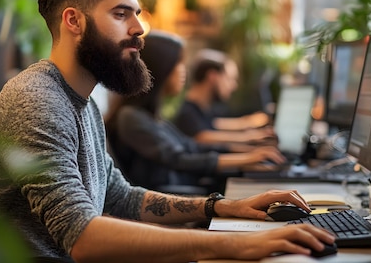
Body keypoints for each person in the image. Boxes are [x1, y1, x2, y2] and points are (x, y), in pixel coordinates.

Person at [0, 0, 335, 263]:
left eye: (135, 14)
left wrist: (222, 208)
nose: (138, 29)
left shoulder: (78, 101)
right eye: (120, 15)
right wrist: (236, 242)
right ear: (74, 21)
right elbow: (82, 237)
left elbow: (118, 196)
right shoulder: (37, 100)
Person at [105, 31, 285, 194]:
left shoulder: (153, 117)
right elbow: (178, 159)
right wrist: (246, 157)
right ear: (162, 68)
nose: (184, 72)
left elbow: (192, 146)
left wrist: (249, 154)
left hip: (186, 190)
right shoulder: (130, 117)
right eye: (178, 64)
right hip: (170, 200)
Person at [174, 48, 276, 145]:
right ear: (212, 76)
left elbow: (214, 124)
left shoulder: (203, 108)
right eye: (229, 79)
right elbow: (202, 137)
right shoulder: (187, 112)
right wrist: (248, 137)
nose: (234, 86)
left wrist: (246, 123)